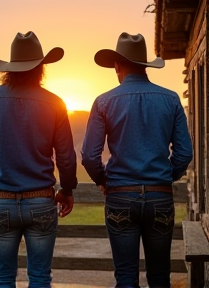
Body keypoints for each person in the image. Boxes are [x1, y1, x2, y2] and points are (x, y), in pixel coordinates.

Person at [81, 32, 193, 288]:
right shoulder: (171, 99)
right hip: (159, 197)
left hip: (120, 194)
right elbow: (185, 153)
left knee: (126, 279)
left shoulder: (103, 102)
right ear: (144, 66)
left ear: (117, 67)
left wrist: (103, 180)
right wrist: (165, 178)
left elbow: (89, 156)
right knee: (160, 277)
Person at [0, 31, 77, 288]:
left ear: (9, 68)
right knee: (40, 277)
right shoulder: (56, 103)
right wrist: (67, 189)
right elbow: (65, 155)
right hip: (41, 200)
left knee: (3, 277)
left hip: (1, 200)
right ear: (41, 68)